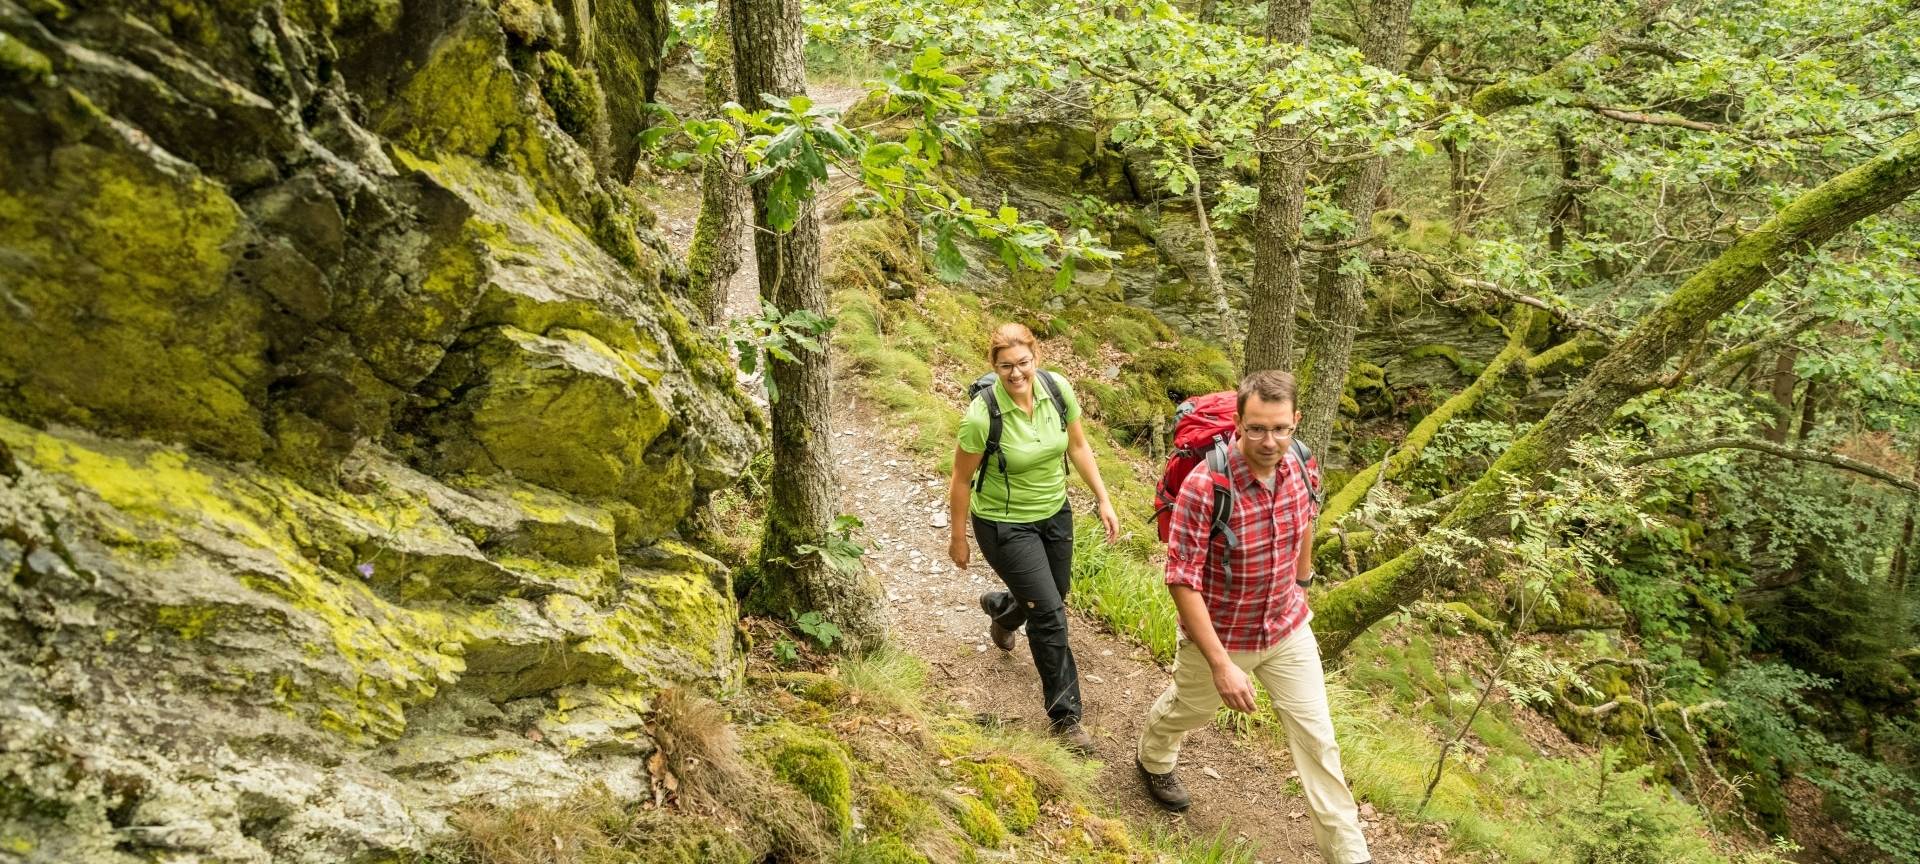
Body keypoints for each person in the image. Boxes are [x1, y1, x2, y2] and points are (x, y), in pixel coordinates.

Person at [1135, 370, 1371, 864]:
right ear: (1239, 423)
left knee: (1318, 742)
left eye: (1281, 428)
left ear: (1295, 422)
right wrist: (1222, 665)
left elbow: (1307, 523)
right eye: (1258, 429)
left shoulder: (1304, 465)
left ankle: (1350, 856)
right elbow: (1181, 578)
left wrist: (1301, 586)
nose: (1270, 441)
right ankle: (1153, 756)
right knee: (1192, 710)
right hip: (1220, 635)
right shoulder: (1207, 486)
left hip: (1287, 629)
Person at [947, 323, 1119, 755]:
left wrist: (1103, 499)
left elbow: (1078, 447)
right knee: (1050, 613)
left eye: (1023, 363)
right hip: (1004, 525)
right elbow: (961, 480)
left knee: (1054, 592)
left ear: (1035, 358)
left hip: (1054, 512)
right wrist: (958, 538)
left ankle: (1003, 611)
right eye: (1006, 366)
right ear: (994, 366)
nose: (1016, 373)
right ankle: (1066, 717)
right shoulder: (982, 415)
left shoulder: (1057, 390)